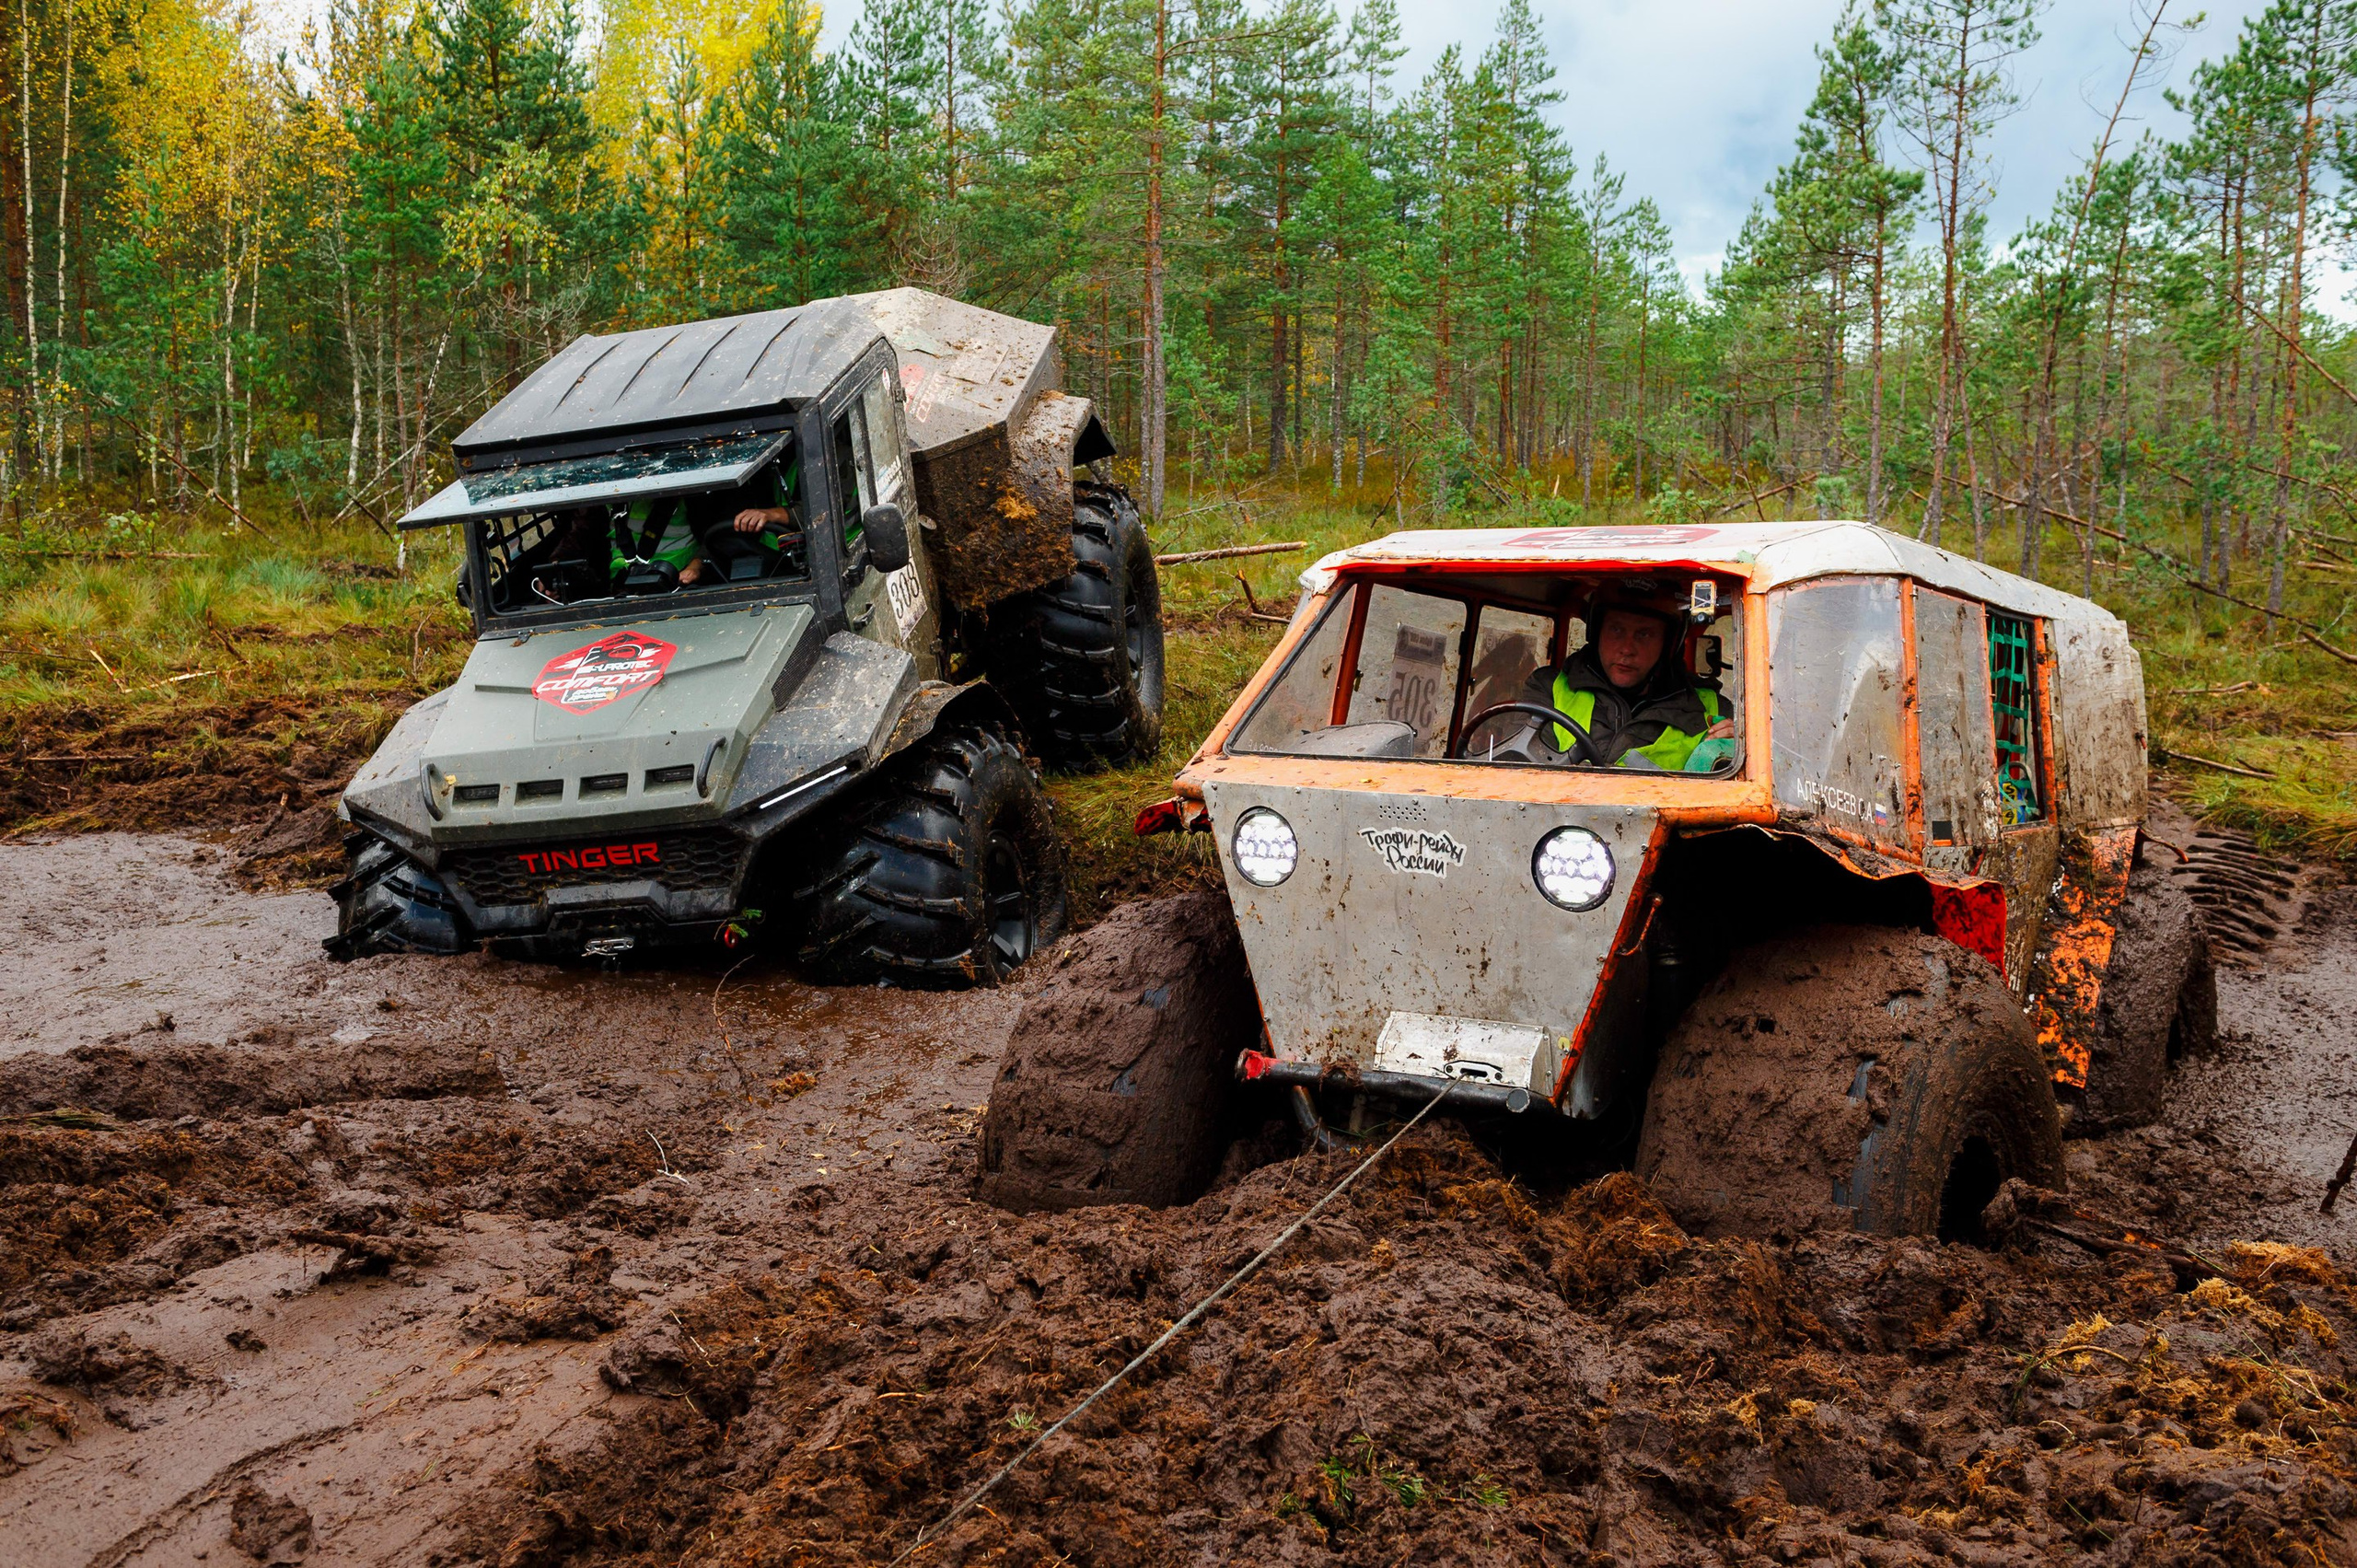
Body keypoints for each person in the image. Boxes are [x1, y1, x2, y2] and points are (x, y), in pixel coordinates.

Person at [1506, 594, 1734, 771]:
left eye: (1644, 634)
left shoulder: (1714, 708)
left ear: (1668, 645)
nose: (1626, 648)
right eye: (1616, 629)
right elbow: (1519, 767)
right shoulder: (1548, 688)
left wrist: (1733, 749)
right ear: (1596, 633)